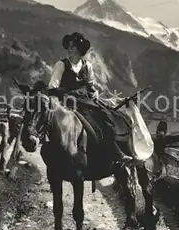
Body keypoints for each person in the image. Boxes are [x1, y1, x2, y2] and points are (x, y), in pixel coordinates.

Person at [47, 32, 132, 165]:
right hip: (67, 102)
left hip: (86, 101)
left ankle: (113, 151)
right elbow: (52, 87)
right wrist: (67, 93)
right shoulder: (61, 65)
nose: (70, 49)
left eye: (73, 46)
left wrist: (94, 93)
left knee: (106, 116)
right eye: (69, 46)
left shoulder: (87, 66)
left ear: (79, 50)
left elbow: (91, 86)